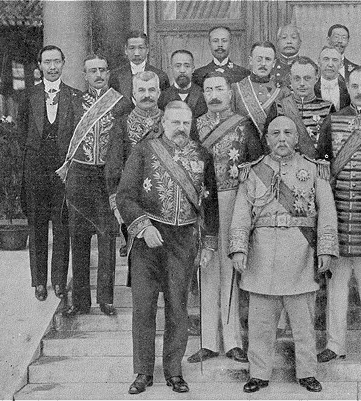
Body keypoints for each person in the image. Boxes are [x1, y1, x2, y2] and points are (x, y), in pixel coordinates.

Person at [229, 116, 338, 394]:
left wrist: (325, 249)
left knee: (303, 321)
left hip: (300, 253)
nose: (281, 138)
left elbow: (326, 212)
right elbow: (241, 213)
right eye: (275, 133)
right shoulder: (253, 172)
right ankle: (259, 373)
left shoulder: (314, 170)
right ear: (266, 139)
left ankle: (307, 373)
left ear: (297, 138)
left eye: (288, 132)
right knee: (261, 322)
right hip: (262, 253)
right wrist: (239, 248)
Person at [117, 101, 219, 395]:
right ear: (163, 123)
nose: (181, 129)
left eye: (186, 123)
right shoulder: (143, 151)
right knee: (144, 308)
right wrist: (143, 226)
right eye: (175, 123)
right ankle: (142, 372)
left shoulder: (203, 156)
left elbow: (209, 205)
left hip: (184, 240)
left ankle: (174, 371)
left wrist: (208, 244)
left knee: (178, 308)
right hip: (148, 239)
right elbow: (125, 196)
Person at [187, 73, 263, 364]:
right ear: (203, 94)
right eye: (209, 90)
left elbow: (256, 166)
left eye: (220, 89)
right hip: (204, 202)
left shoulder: (244, 127)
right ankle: (208, 341)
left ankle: (232, 342)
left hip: (235, 201)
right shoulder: (195, 125)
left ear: (230, 93)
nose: (214, 94)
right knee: (206, 268)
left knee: (230, 267)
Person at [316, 67, 361, 366]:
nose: (359, 91)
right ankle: (335, 343)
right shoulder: (333, 121)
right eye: (355, 86)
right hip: (338, 214)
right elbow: (322, 168)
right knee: (336, 283)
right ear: (348, 87)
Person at [59, 54, 130, 317]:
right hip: (79, 174)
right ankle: (80, 300)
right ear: (84, 74)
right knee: (78, 237)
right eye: (92, 71)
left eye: (102, 69)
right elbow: (65, 137)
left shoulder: (121, 104)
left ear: (109, 72)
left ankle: (106, 299)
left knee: (107, 237)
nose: (98, 75)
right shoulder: (74, 102)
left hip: (107, 177)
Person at [19, 45, 79, 302]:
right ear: (40, 65)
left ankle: (58, 281)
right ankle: (39, 282)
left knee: (62, 226)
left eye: (57, 62)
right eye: (47, 62)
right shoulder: (28, 96)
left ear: (64, 63)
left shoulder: (74, 96)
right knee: (38, 226)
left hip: (63, 170)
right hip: (36, 169)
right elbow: (22, 133)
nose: (52, 67)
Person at [106, 71, 164, 260]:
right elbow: (114, 167)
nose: (147, 95)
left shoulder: (171, 121)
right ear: (133, 95)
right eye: (141, 90)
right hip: (134, 201)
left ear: (159, 93)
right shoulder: (121, 125)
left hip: (166, 200)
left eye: (151, 90)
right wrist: (117, 206)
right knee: (141, 263)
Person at [266, 56, 334, 158]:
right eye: (297, 78)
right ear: (290, 79)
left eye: (307, 78)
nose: (302, 84)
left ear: (316, 78)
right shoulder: (278, 106)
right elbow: (267, 145)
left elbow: (332, 148)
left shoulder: (328, 108)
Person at [232, 41, 283, 138]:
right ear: (250, 61)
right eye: (259, 59)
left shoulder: (281, 91)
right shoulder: (236, 89)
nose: (263, 64)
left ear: (274, 63)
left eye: (268, 59)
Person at [109, 31, 169, 101]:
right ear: (126, 50)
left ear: (147, 50)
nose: (136, 53)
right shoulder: (116, 76)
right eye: (132, 48)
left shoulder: (160, 76)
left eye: (141, 48)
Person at [158, 50, 206, 118]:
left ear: (193, 68)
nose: (182, 70)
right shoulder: (163, 97)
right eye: (178, 66)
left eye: (187, 66)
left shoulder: (202, 95)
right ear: (171, 68)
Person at [315, 45, 350, 111]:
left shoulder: (348, 89)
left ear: (341, 64)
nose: (330, 64)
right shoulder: (312, 87)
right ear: (319, 62)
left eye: (335, 60)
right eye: (326, 59)